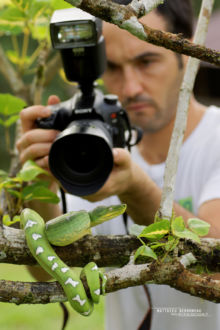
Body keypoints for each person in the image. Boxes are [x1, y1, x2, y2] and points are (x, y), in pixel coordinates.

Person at [16, 0, 220, 329]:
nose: (130, 87)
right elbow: (45, 268)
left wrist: (138, 191)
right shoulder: (91, 149)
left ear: (187, 53)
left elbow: (216, 259)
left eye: (147, 60)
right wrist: (41, 181)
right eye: (111, 67)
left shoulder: (216, 139)